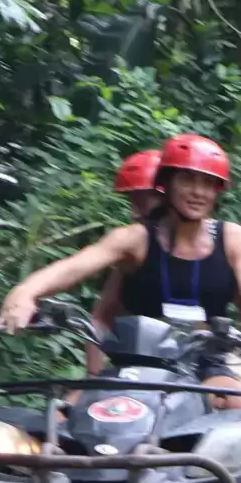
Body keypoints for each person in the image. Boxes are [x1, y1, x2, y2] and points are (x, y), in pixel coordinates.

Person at [0, 133, 241, 408]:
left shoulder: (233, 239)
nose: (198, 192)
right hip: (137, 363)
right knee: (64, 419)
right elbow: (76, 266)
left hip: (208, 362)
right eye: (187, 180)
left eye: (208, 183)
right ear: (166, 185)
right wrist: (25, 293)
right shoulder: (134, 239)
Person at [83, 149, 164, 373]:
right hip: (138, 368)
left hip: (204, 367)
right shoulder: (132, 253)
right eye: (133, 202)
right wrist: (92, 378)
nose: (135, 213)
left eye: (143, 202)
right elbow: (101, 318)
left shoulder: (212, 246)